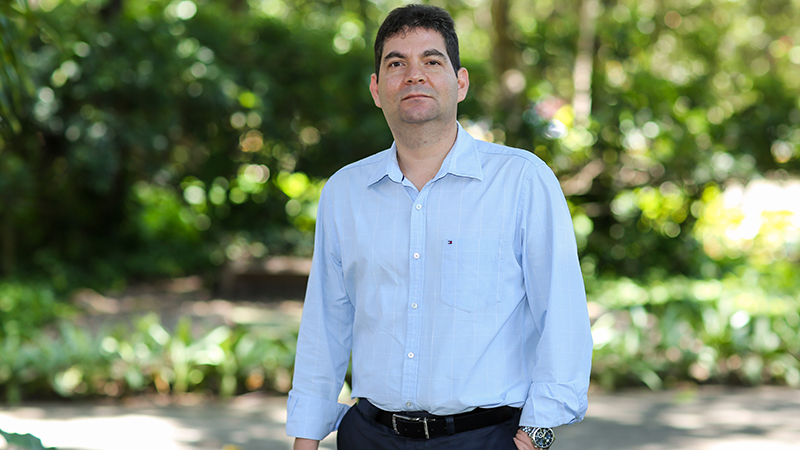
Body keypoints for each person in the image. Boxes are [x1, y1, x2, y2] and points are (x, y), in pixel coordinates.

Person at [286, 4, 592, 450]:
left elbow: (563, 318)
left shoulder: (522, 181)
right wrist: (306, 438)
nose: (414, 75)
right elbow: (325, 324)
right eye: (396, 63)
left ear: (460, 82)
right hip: (369, 438)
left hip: (487, 439)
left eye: (432, 61)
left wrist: (535, 436)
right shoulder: (345, 191)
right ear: (376, 88)